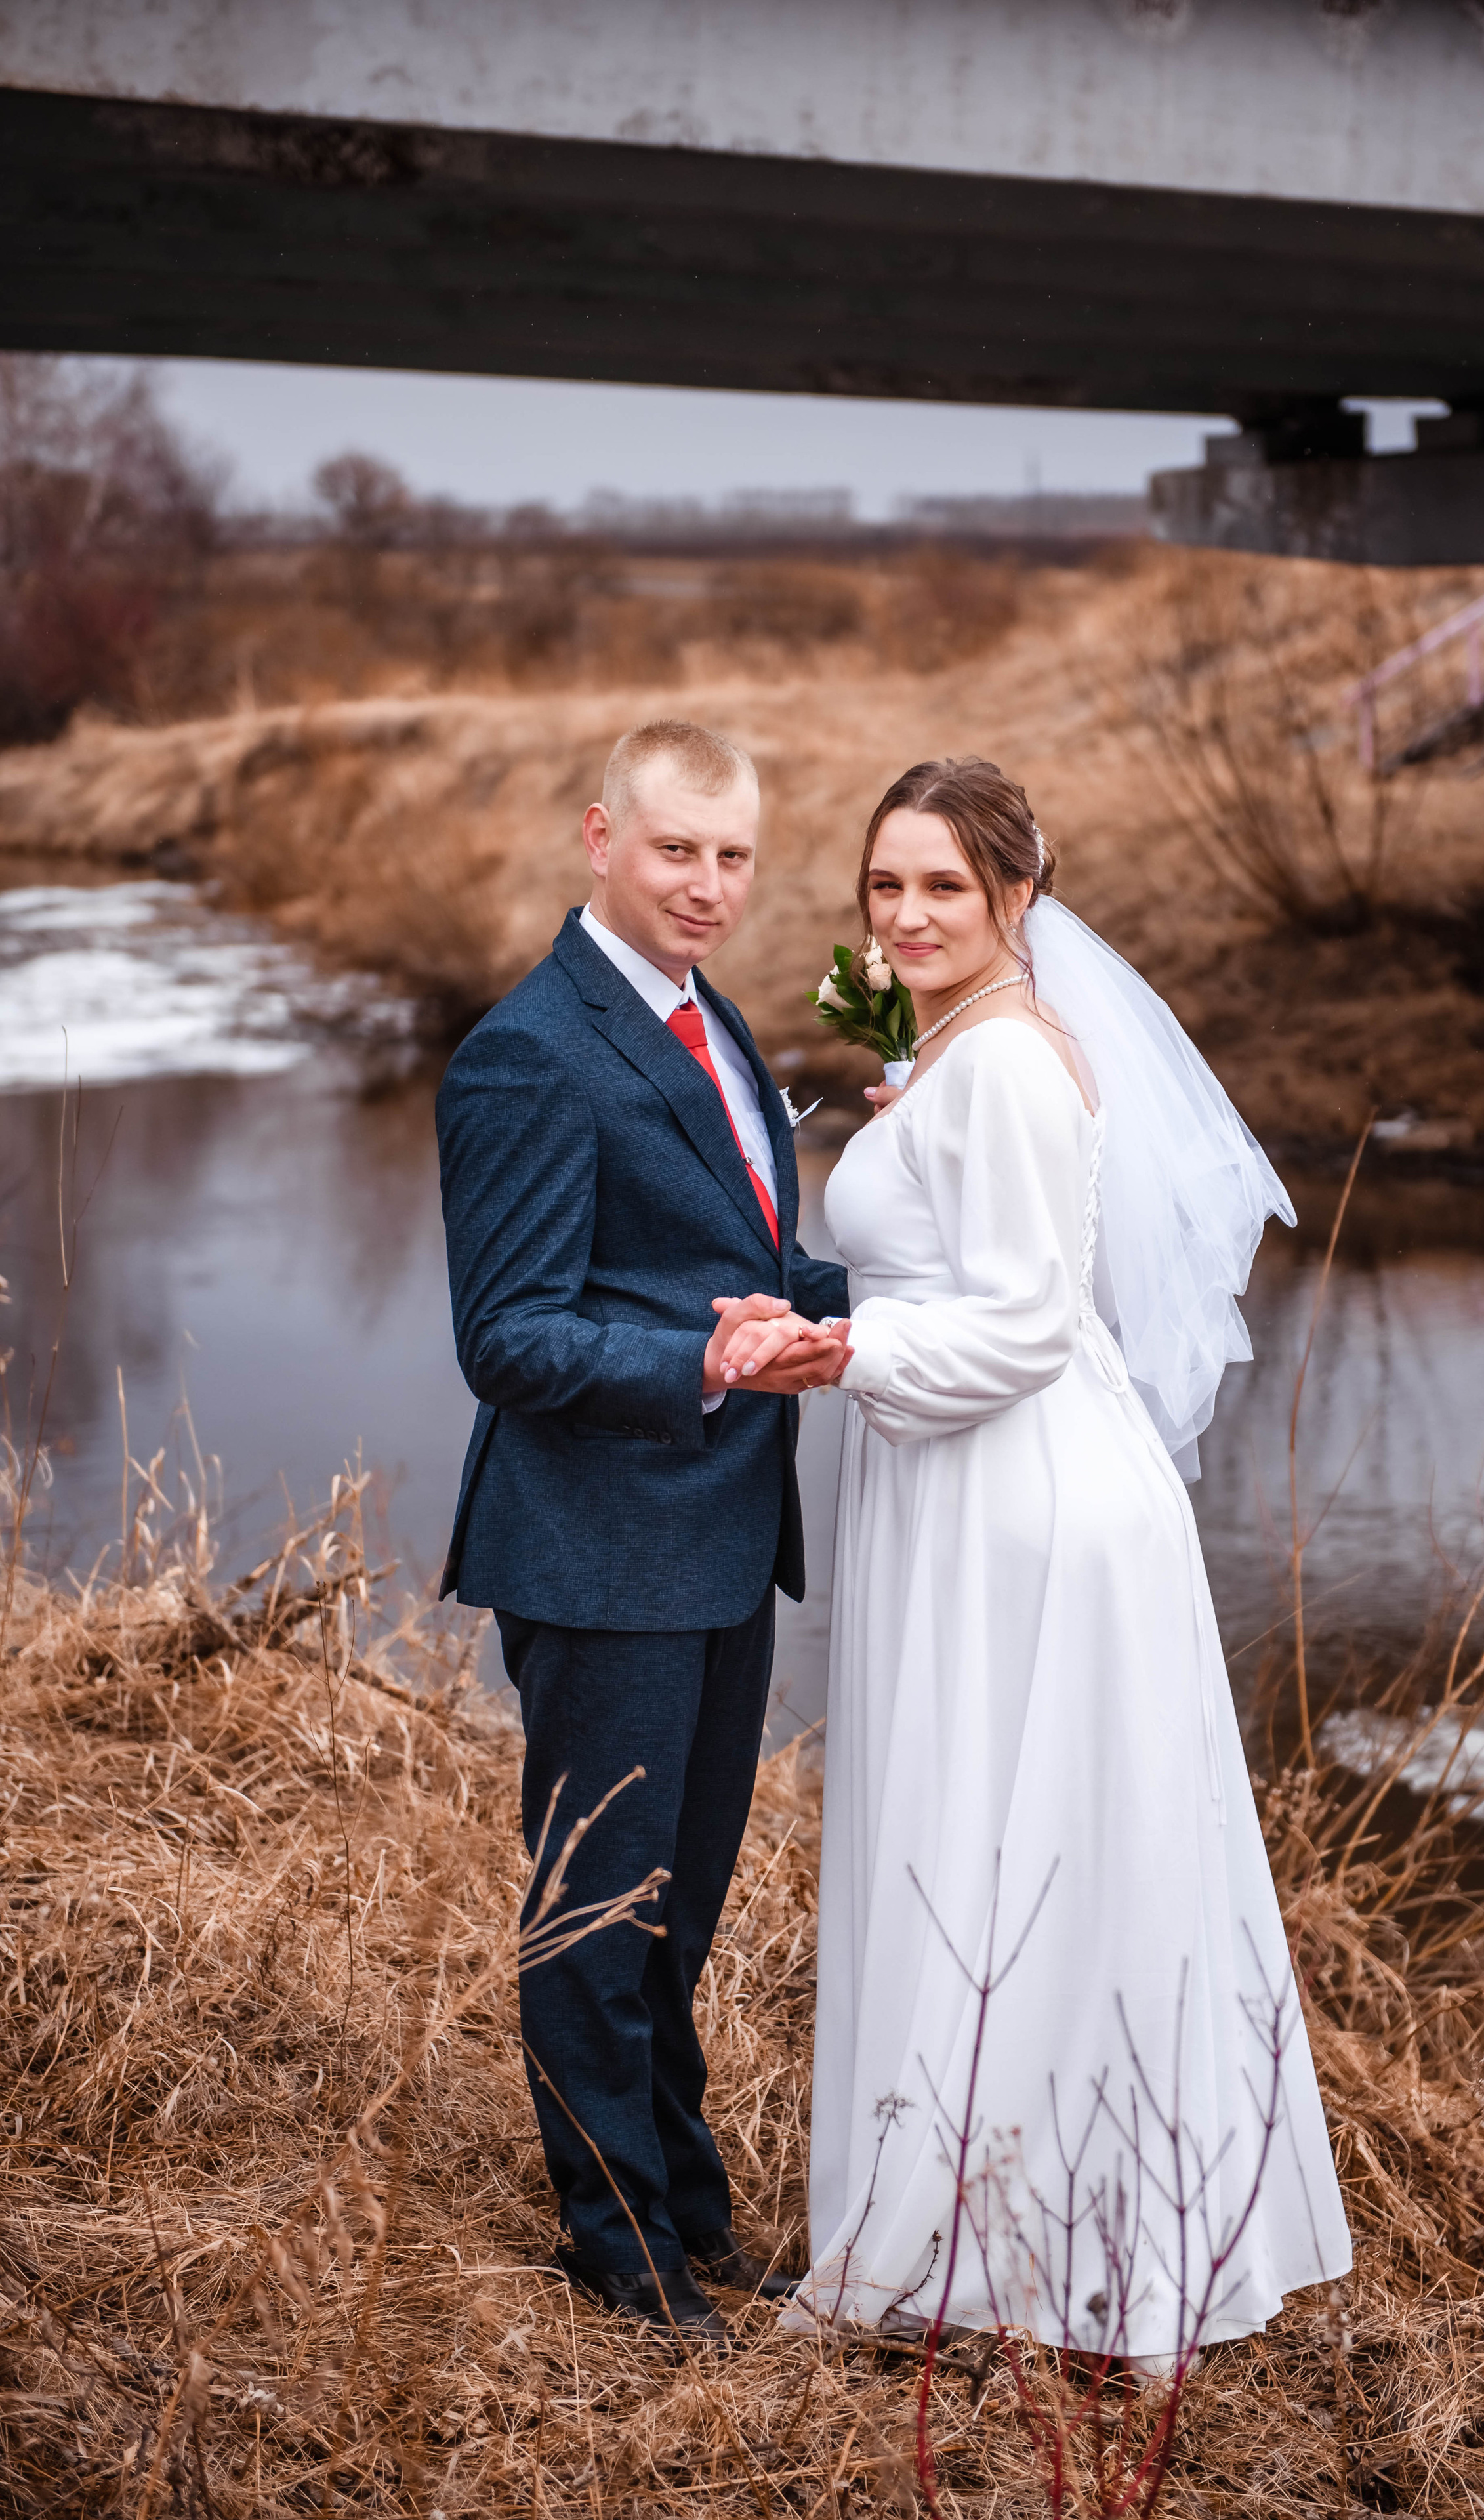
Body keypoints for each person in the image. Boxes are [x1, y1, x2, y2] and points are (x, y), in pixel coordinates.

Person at [716, 757, 1352, 2367]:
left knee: (997, 1849)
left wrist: (832, 1352)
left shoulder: (996, 1064)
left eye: (942, 885)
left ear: (1017, 892)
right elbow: (986, 1264)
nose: (908, 915)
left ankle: (983, 2246)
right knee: (1025, 1851)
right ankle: (1022, 2230)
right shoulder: (965, 1050)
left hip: (1013, 1498)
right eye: (884, 887)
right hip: (990, 1480)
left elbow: (1006, 1327)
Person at [436, 719, 852, 2349]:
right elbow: (511, 1335)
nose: (708, 884)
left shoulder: (710, 1019)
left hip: (718, 1536)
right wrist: (707, 1359)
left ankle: (685, 2212)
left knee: (678, 1911)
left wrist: (914, 1307)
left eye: (734, 855)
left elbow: (741, 1261)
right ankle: (619, 2259)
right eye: (677, 849)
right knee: (599, 1910)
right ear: (601, 837)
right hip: (600, 1547)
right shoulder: (532, 1048)